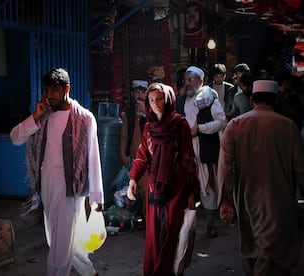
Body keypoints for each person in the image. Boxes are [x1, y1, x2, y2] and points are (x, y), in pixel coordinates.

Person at [10, 68, 104, 276]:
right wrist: (35, 115)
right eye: (47, 90)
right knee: (57, 239)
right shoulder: (43, 116)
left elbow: (93, 157)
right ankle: (89, 273)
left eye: (54, 90)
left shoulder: (85, 118)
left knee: (60, 245)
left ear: (66, 89)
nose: (49, 95)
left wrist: (96, 198)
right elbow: (15, 138)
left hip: (71, 186)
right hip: (48, 182)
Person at [218, 80, 304, 276]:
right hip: (278, 200)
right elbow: (301, 169)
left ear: (251, 100)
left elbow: (225, 167)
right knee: (272, 252)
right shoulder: (288, 127)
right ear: (275, 100)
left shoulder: (235, 125)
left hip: (245, 199)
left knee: (251, 249)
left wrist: (226, 200)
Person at [126, 82, 199, 276]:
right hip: (154, 188)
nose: (155, 103)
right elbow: (142, 155)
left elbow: (188, 158)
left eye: (159, 98)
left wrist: (192, 192)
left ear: (168, 100)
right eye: (151, 99)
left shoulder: (179, 124)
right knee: (156, 237)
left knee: (171, 235)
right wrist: (133, 179)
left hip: (176, 188)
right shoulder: (149, 127)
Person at [176, 66, 227, 239]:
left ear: (201, 81)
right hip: (185, 150)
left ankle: (211, 224)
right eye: (186, 80)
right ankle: (185, 226)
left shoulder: (209, 98)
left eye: (192, 80)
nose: (188, 84)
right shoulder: (181, 101)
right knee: (185, 186)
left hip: (204, 148)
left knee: (208, 188)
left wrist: (200, 129)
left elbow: (221, 122)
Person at [120, 79, 148, 218]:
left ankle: (148, 223)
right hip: (134, 159)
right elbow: (124, 136)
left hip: (148, 160)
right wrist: (123, 154)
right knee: (138, 192)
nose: (139, 96)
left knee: (146, 191)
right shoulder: (128, 114)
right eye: (137, 92)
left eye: (142, 92)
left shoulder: (151, 113)